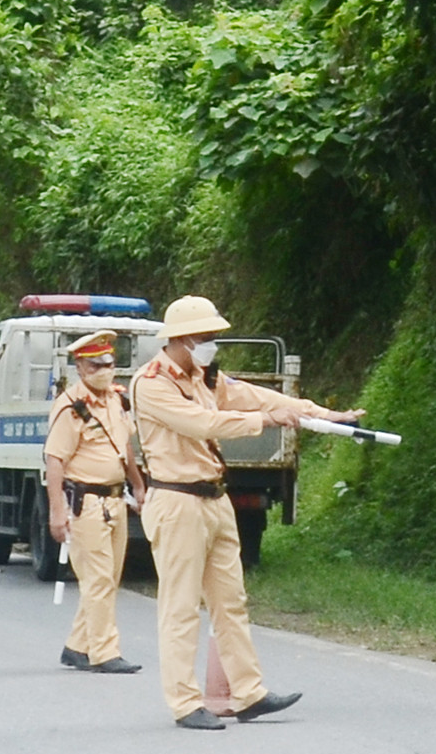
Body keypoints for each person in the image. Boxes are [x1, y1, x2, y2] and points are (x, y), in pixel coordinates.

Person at [130, 295, 363, 730]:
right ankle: (184, 703)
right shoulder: (152, 383)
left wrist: (322, 414)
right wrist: (267, 421)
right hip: (176, 500)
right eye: (205, 337)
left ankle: (248, 692)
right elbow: (206, 423)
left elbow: (253, 396)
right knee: (180, 606)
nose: (212, 344)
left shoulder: (204, 375)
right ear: (180, 338)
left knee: (230, 601)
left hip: (214, 499)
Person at [44, 331, 147, 674]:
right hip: (85, 503)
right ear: (80, 367)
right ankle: (105, 653)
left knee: (107, 579)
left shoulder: (114, 401)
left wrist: (138, 484)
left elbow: (124, 448)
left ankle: (78, 646)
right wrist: (57, 513)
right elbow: (55, 460)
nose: (104, 369)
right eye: (96, 365)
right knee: (98, 580)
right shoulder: (70, 407)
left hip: (115, 500)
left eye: (109, 363)